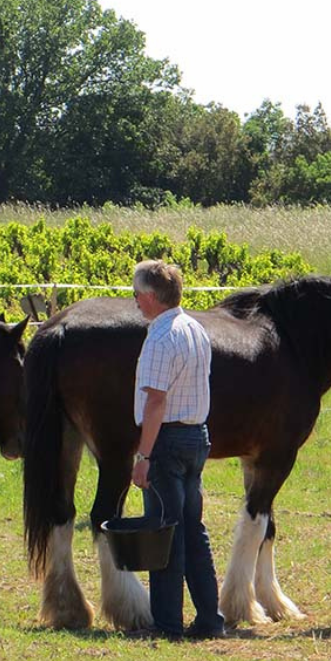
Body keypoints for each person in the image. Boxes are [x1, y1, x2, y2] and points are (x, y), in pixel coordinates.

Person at [129, 259, 225, 640]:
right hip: (196, 437)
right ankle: (209, 618)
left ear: (151, 297)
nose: (135, 300)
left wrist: (143, 456)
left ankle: (167, 623)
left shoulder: (160, 338)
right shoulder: (196, 329)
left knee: (164, 533)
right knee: (192, 530)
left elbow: (155, 403)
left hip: (167, 443)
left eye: (137, 294)